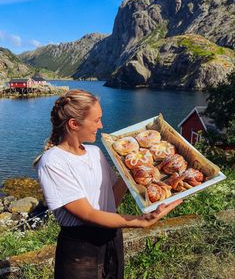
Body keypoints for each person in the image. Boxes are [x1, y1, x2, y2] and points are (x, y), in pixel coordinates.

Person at [34, 89, 182, 279]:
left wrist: (129, 172)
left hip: (112, 239)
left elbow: (111, 200)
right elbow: (87, 214)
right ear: (74, 124)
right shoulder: (53, 161)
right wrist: (141, 221)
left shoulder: (95, 152)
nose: (101, 125)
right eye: (96, 120)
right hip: (81, 250)